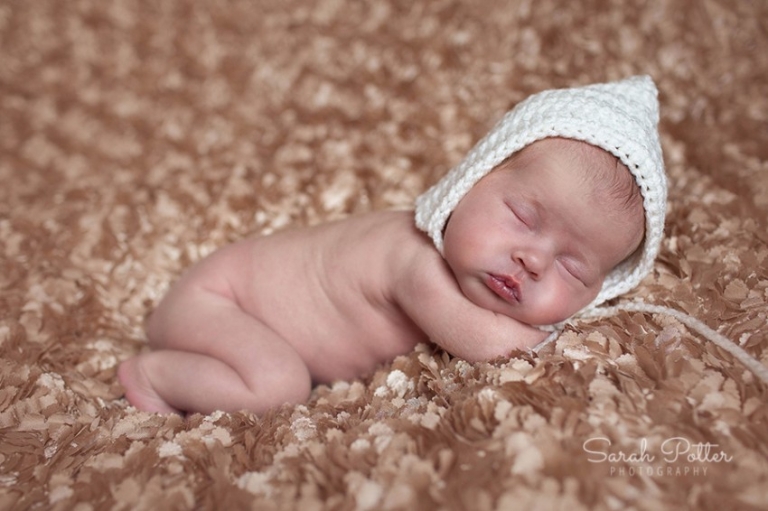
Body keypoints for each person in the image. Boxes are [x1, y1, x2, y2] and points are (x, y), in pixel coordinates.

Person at [118, 75, 668, 415]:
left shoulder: (470, 256)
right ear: (470, 181)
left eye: (573, 269)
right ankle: (151, 375)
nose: (534, 260)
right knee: (277, 385)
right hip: (217, 303)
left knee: (279, 377)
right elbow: (493, 344)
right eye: (523, 217)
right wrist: (573, 343)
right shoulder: (416, 263)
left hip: (231, 308)